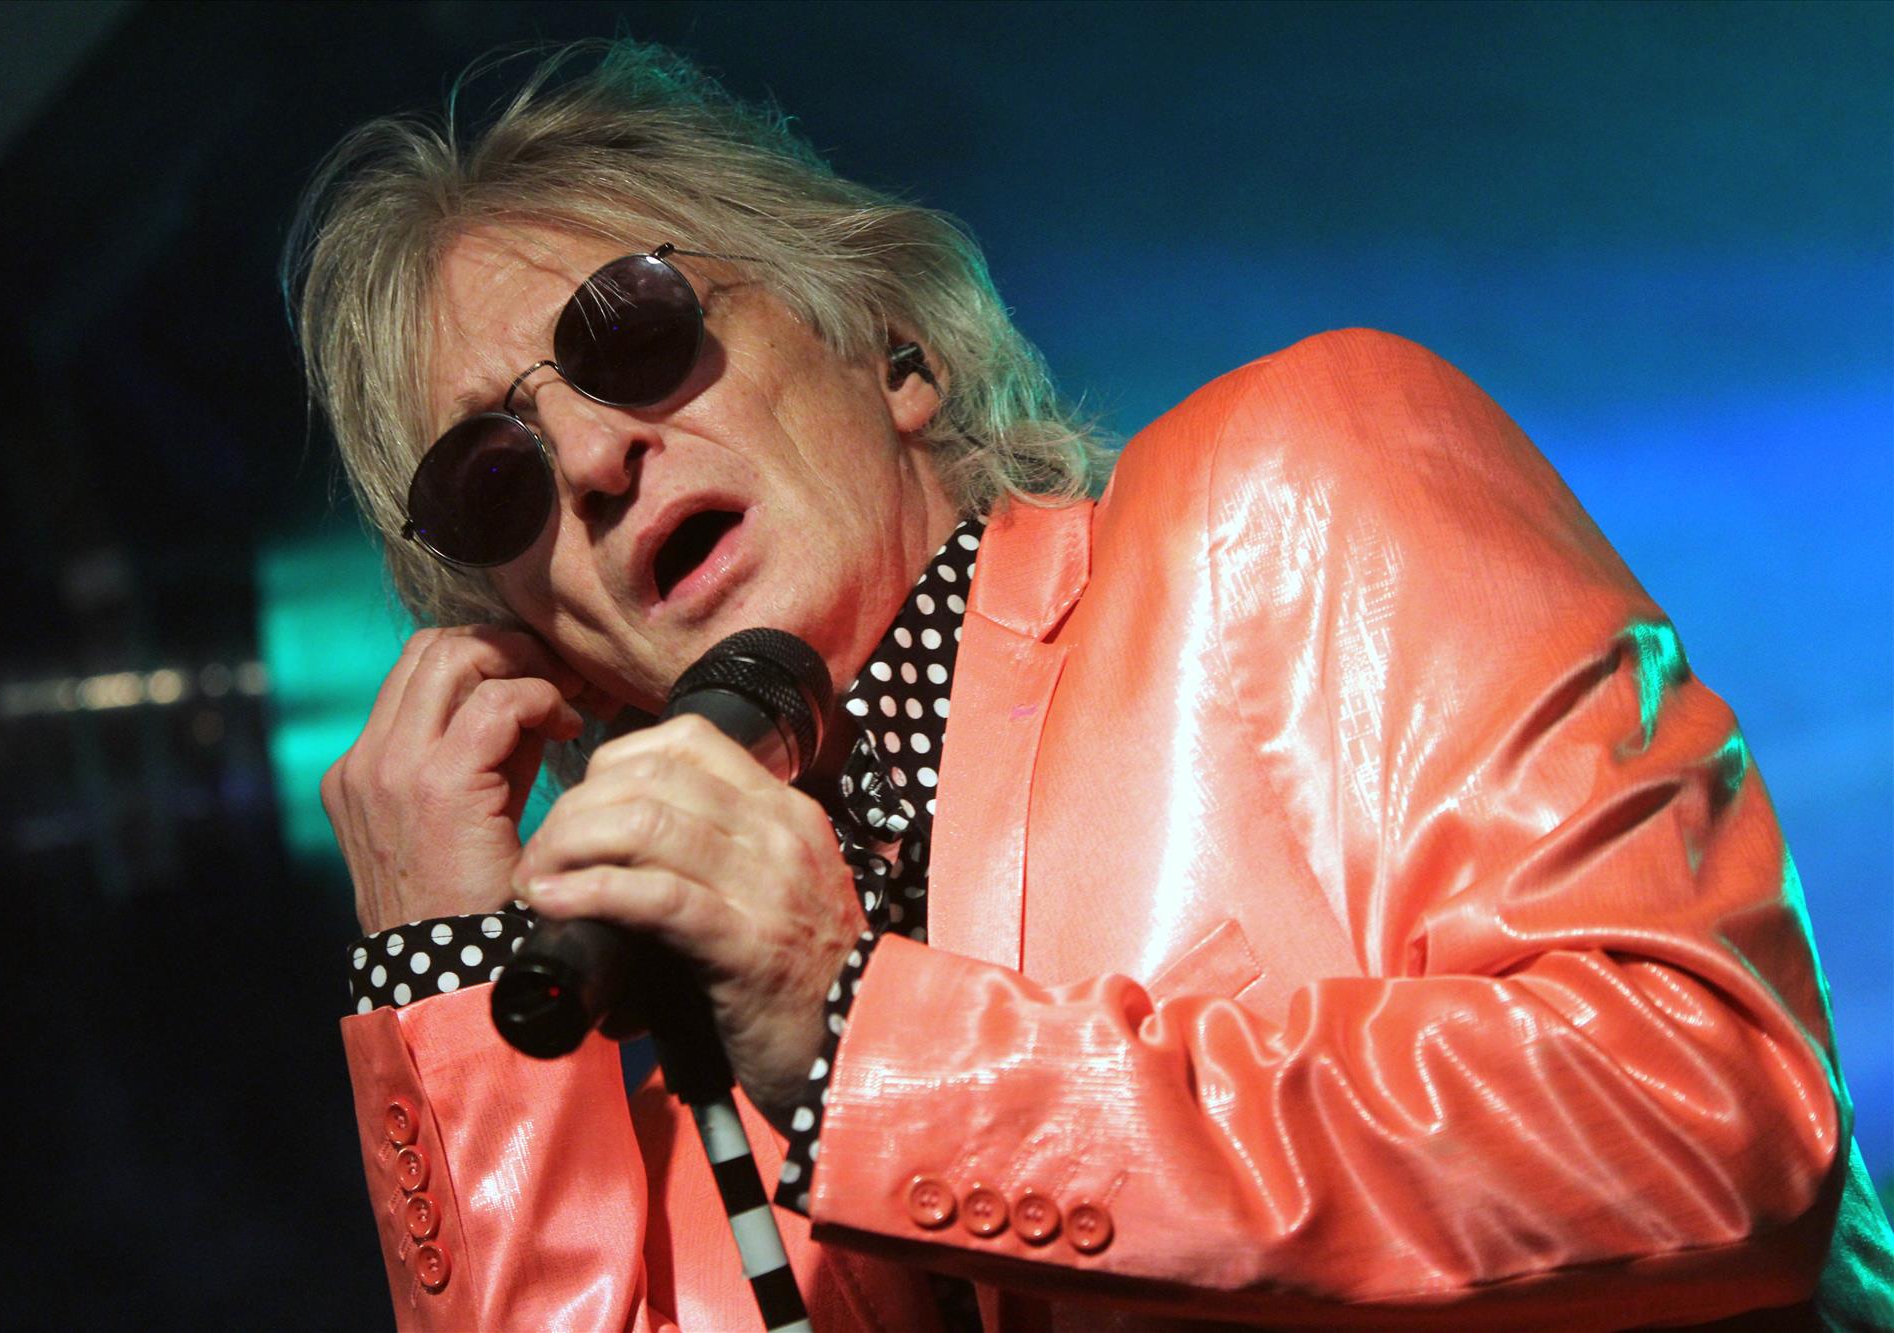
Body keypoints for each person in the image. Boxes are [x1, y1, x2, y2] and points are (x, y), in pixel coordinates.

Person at [289, 40, 1891, 1331]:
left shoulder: (1285, 492)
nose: (587, 458)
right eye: (490, 479)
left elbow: (1712, 1111)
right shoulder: (726, 1055)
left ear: (894, 349)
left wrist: (871, 1051)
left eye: (632, 330)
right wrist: (443, 982)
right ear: (536, 643)